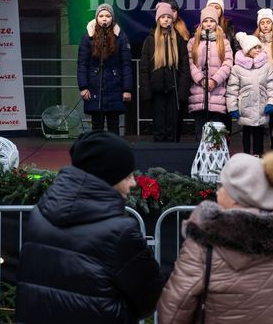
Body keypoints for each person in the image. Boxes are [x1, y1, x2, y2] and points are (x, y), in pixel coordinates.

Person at [15, 131, 164, 323]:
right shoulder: (120, 231)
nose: (133, 183)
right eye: (127, 176)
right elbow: (149, 296)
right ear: (109, 176)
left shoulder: (39, 214)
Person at [156, 151, 273, 324]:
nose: (218, 192)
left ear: (236, 196)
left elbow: (174, 310)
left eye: (221, 186)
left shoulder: (205, 242)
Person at [77, 3, 133, 135]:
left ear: (112, 18)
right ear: (96, 18)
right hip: (95, 86)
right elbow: (82, 64)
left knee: (114, 125)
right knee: (97, 126)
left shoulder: (120, 37)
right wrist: (83, 87)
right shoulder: (88, 37)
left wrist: (127, 89)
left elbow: (126, 64)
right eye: (101, 15)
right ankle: (97, 148)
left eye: (108, 16)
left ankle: (114, 148)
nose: (104, 19)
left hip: (115, 86)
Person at [140, 2, 190, 142]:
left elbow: (185, 68)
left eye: (168, 17)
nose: (166, 20)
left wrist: (182, 91)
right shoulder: (150, 40)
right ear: (158, 19)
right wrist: (146, 91)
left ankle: (172, 151)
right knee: (159, 125)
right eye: (163, 17)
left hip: (173, 91)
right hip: (156, 91)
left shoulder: (178, 40)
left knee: (172, 126)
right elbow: (144, 69)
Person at [226, 32, 273, 157]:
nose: (258, 50)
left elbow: (272, 86)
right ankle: (246, 156)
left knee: (259, 132)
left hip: (261, 106)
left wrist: (271, 103)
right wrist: (232, 107)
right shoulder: (237, 68)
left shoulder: (267, 66)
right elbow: (232, 89)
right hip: (245, 106)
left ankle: (257, 156)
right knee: (246, 131)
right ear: (247, 50)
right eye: (254, 48)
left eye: (259, 47)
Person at [187, 5, 233, 139]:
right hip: (199, 93)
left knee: (215, 136)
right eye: (205, 21)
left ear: (216, 23)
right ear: (201, 24)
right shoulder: (192, 42)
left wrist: (214, 80)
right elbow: (190, 63)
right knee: (200, 134)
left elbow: (228, 63)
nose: (208, 24)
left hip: (217, 94)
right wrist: (201, 79)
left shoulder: (224, 42)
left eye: (212, 21)